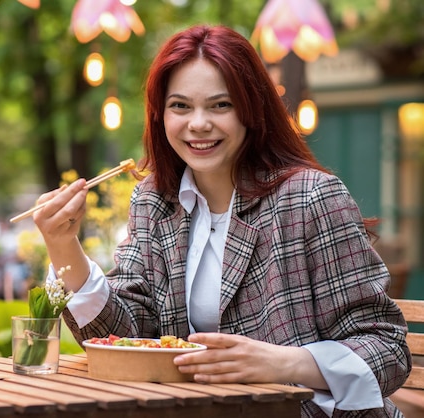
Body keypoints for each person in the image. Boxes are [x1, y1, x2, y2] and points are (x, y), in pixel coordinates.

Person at [31, 25, 411, 417]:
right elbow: (126, 337)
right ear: (160, 115)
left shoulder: (310, 197)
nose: (198, 124)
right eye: (180, 106)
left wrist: (283, 363)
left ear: (251, 111)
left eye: (220, 105)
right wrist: (63, 245)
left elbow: (388, 349)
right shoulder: (154, 201)